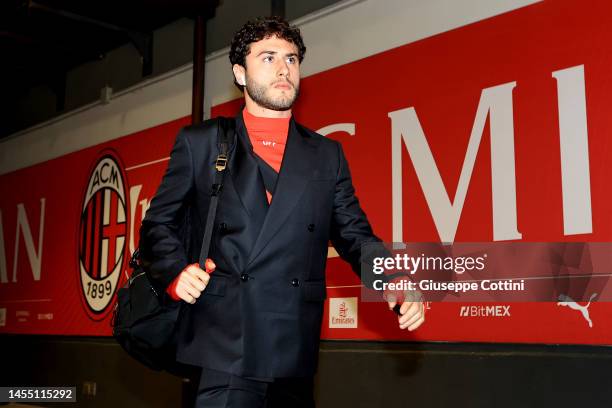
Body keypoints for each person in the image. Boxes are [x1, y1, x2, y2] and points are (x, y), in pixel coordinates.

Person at [139, 16, 425, 408]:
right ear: (240, 73)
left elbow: (355, 236)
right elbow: (158, 222)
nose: (283, 69)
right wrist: (175, 271)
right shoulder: (202, 142)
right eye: (268, 57)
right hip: (224, 340)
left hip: (293, 343)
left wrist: (393, 279)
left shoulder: (326, 154)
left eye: (291, 59)